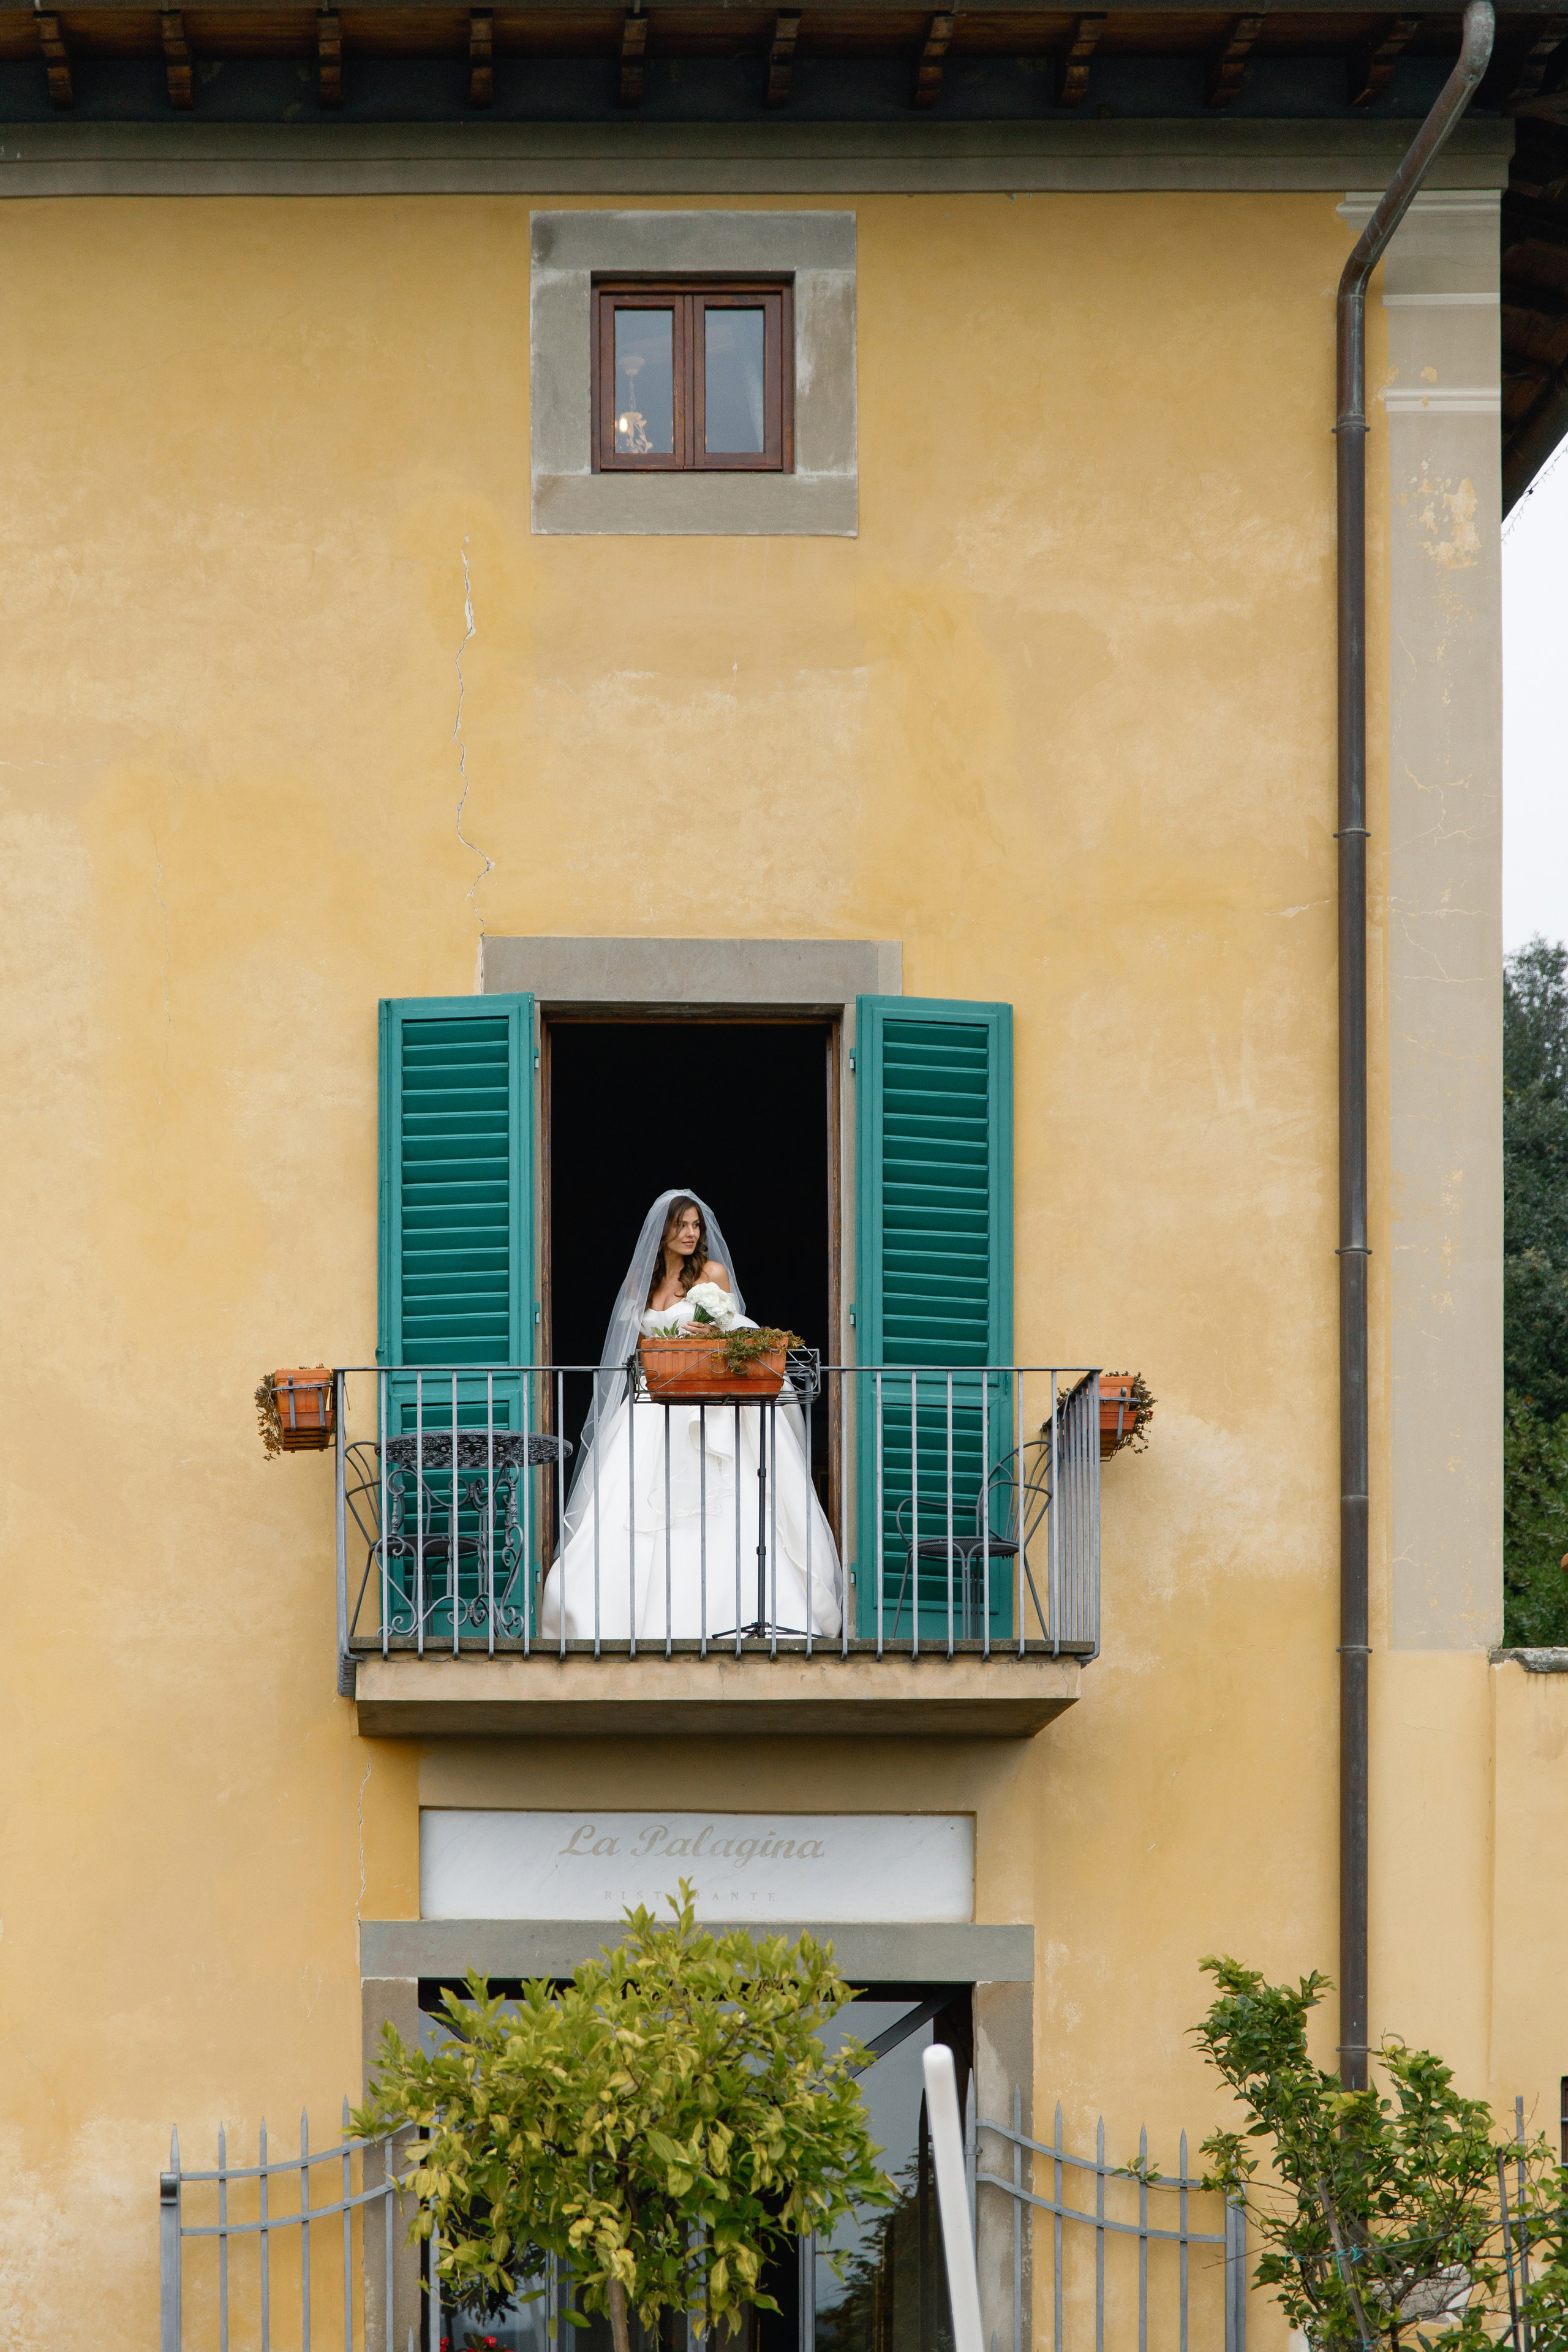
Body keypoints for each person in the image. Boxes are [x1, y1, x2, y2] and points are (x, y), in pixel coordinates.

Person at [538, 1188, 842, 1642]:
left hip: (705, 1401)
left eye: (695, 1225)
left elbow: (737, 1338)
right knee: (634, 1506)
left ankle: (731, 1612)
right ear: (662, 1231)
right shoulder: (640, 1285)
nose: (690, 1233)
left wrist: (710, 1334)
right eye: (681, 1225)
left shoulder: (711, 1273)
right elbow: (641, 1350)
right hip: (654, 1402)